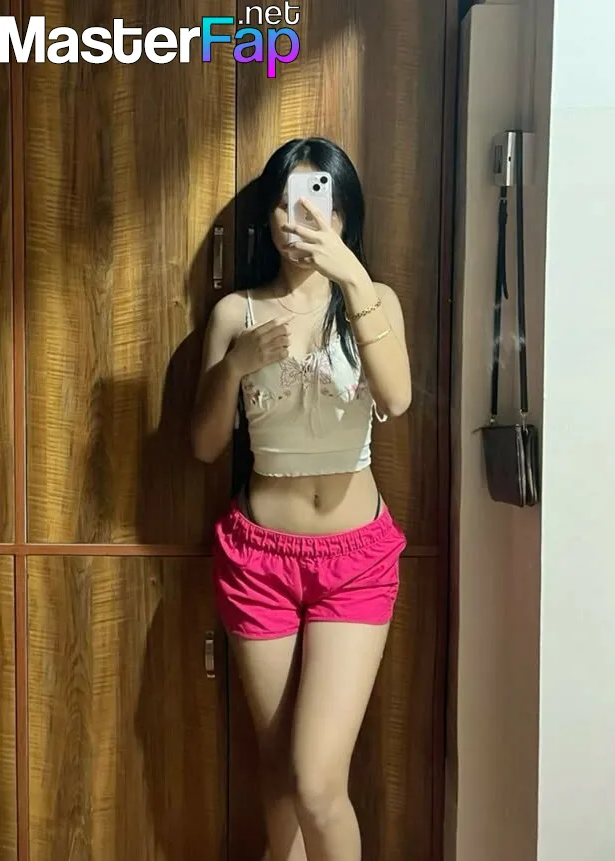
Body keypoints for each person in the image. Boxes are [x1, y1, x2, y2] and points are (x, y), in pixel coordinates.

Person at [191, 137, 412, 861]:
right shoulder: (237, 313)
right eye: (288, 203)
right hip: (259, 559)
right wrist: (236, 366)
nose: (302, 219)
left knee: (318, 782)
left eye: (320, 201)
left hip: (355, 562)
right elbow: (204, 445)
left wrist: (352, 277)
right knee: (281, 771)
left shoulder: (374, 301)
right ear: (270, 216)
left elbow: (398, 398)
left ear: (345, 214)